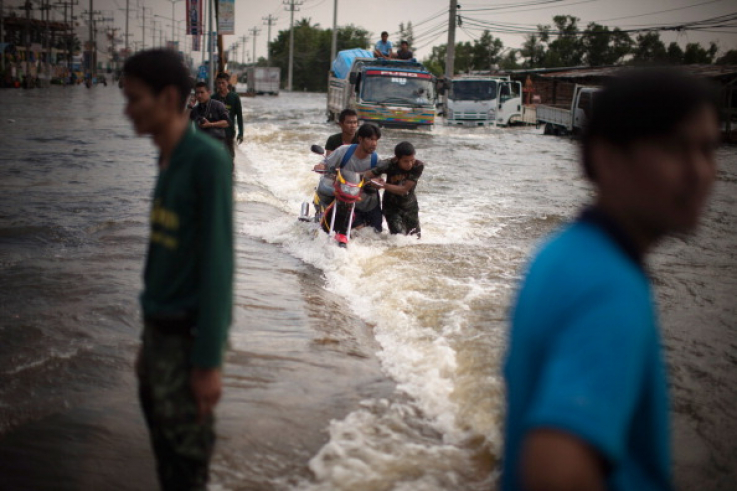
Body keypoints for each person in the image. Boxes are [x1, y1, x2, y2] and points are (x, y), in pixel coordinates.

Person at [502, 69, 720, 491]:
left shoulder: (563, 252)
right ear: (607, 157)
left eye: (708, 150)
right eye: (675, 148)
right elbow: (555, 472)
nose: (701, 172)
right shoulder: (608, 287)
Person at [121, 49, 234, 490]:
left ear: (168, 98)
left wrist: (208, 363)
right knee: (166, 466)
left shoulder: (206, 160)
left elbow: (218, 267)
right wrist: (147, 342)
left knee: (187, 471)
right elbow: (162, 258)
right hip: (158, 339)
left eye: (134, 98)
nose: (127, 110)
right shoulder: (165, 157)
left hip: (187, 347)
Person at [316, 123, 383, 236]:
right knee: (356, 230)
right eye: (371, 139)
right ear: (360, 139)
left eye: (376, 140)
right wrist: (321, 166)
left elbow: (380, 180)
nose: (374, 144)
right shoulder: (344, 151)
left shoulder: (376, 159)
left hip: (368, 200)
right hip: (346, 198)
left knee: (376, 234)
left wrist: (378, 183)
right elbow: (326, 163)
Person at [367, 141, 424, 237]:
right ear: (397, 159)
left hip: (410, 206)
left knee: (415, 238)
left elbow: (404, 189)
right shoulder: (388, 164)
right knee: (399, 238)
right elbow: (367, 175)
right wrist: (373, 180)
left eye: (412, 160)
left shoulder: (418, 166)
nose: (409, 164)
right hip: (391, 207)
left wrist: (383, 185)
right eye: (406, 161)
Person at [212, 72, 244, 162]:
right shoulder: (213, 98)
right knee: (216, 157)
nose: (221, 85)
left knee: (230, 157)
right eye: (218, 83)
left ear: (228, 83)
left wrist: (241, 133)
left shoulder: (234, 97)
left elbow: (239, 116)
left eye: (223, 83)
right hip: (215, 133)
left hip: (229, 132)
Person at [188, 81, 231, 147]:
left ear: (209, 92)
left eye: (202, 92)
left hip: (217, 144)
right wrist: (190, 106)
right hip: (200, 145)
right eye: (197, 93)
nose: (199, 95)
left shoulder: (218, 105)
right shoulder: (195, 109)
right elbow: (184, 125)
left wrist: (210, 124)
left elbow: (227, 123)